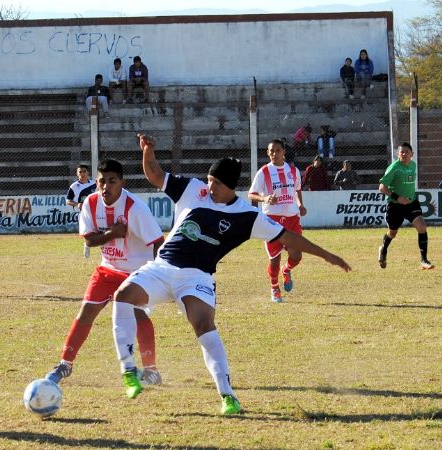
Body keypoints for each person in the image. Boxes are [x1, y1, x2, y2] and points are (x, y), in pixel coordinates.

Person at [110, 134, 351, 415]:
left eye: (216, 183)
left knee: (203, 325)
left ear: (230, 186)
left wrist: (326, 255)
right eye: (209, 180)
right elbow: (155, 174)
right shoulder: (193, 189)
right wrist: (148, 151)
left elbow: (288, 237)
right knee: (123, 296)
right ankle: (129, 371)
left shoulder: (246, 215)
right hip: (162, 267)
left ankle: (228, 396)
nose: (209, 187)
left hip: (196, 278)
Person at [45, 159, 166, 388]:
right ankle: (65, 364)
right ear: (96, 182)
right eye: (102, 181)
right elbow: (90, 240)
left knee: (138, 315)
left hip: (136, 273)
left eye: (112, 181)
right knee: (86, 312)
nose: (105, 187)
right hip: (107, 269)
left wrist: (158, 275)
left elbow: (158, 242)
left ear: (122, 182)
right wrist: (113, 233)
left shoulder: (135, 208)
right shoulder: (90, 203)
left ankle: (151, 370)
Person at [248, 139, 308, 303]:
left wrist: (300, 205)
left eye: (278, 150)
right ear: (268, 153)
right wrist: (265, 198)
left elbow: (297, 190)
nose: (274, 154)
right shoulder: (264, 172)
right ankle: (274, 288)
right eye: (271, 151)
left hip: (292, 220)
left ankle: (286, 270)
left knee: (297, 255)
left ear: (284, 152)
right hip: (272, 221)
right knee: (274, 259)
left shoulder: (293, 171)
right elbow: (251, 194)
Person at [378, 142, 434, 270]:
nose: (403, 154)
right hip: (395, 205)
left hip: (411, 203)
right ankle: (383, 249)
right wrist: (398, 198)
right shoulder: (394, 168)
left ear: (412, 154)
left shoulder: (413, 165)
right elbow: (382, 187)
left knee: (422, 226)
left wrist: (407, 198)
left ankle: (424, 260)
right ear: (398, 154)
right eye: (401, 152)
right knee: (392, 233)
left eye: (406, 152)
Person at [66, 164, 97, 258]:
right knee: (87, 233)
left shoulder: (95, 184)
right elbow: (68, 201)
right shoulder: (74, 186)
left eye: (84, 171)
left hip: (96, 211)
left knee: (101, 230)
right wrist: (77, 204)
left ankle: (104, 249)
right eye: (80, 172)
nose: (82, 174)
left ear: (88, 173)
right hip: (83, 213)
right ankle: (87, 245)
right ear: (77, 174)